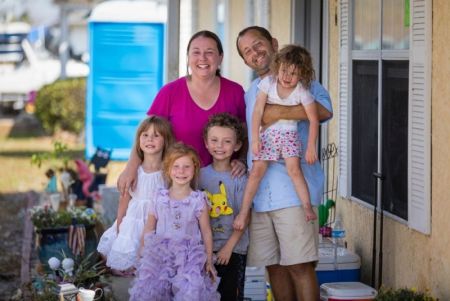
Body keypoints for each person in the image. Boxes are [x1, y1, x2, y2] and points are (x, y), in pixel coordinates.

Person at [236, 26, 333, 301]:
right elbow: (251, 130)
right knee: (274, 267)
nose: (255, 53)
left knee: (300, 265)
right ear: (245, 61)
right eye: (247, 52)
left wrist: (277, 111)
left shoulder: (300, 77)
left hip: (292, 191)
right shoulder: (252, 90)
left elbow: (324, 110)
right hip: (261, 196)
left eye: (258, 45)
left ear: (273, 43)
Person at [117, 30, 247, 197]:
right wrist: (131, 168)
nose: (202, 58)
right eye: (196, 52)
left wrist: (242, 160)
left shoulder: (235, 92)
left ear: (220, 57)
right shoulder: (170, 92)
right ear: (188, 57)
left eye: (209, 52)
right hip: (178, 183)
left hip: (224, 185)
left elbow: (245, 135)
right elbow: (146, 135)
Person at [234, 44, 319, 231]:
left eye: (293, 73)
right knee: (256, 171)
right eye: (284, 71)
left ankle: (306, 206)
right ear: (277, 67)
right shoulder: (268, 84)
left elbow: (314, 119)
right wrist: (255, 138)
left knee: (294, 170)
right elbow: (257, 111)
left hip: (289, 135)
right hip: (268, 135)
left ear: (302, 75)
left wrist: (311, 146)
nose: (287, 77)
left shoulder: (302, 93)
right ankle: (243, 212)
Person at [129, 143, 220, 301]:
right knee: (154, 292)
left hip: (188, 257)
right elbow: (149, 227)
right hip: (159, 254)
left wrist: (209, 259)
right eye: (176, 166)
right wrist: (142, 254)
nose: (181, 171)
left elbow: (206, 231)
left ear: (195, 168)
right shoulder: (159, 197)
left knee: (189, 293)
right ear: (168, 169)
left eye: (186, 167)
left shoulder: (198, 199)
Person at [97, 116, 174, 275]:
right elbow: (123, 202)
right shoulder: (134, 172)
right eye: (145, 135)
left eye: (156, 135)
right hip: (133, 222)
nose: (150, 139)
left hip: (158, 223)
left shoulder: (169, 172)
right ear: (139, 140)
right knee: (126, 262)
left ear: (166, 141)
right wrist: (119, 229)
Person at [199, 113, 249, 301]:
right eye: (214, 140)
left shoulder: (241, 178)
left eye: (227, 141)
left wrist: (228, 248)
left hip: (233, 250)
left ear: (237, 145)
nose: (219, 146)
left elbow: (246, 215)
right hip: (204, 251)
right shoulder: (199, 176)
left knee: (230, 297)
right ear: (206, 142)